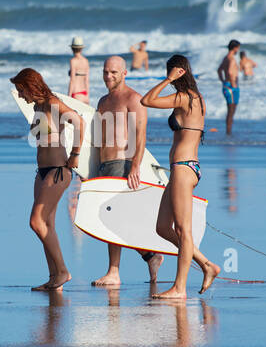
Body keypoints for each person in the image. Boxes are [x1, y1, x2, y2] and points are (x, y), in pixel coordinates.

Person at [141, 55, 220, 299]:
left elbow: (147, 100)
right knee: (163, 228)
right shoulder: (194, 98)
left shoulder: (185, 97)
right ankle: (207, 265)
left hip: (184, 168)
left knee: (184, 230)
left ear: (180, 72)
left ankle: (180, 288)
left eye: (174, 74)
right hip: (183, 168)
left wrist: (166, 80)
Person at [90, 57, 162, 287]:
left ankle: (114, 271)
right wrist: (90, 170)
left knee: (113, 218)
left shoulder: (134, 99)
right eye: (105, 72)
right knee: (114, 218)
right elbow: (97, 139)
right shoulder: (102, 101)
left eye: (113, 72)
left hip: (123, 163)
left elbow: (141, 137)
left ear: (124, 73)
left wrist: (136, 166)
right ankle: (150, 256)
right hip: (105, 165)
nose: (108, 76)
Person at [12, 67, 83, 291]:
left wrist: (75, 154)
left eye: (22, 91)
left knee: (36, 222)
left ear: (31, 87)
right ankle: (54, 277)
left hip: (58, 170)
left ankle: (62, 271)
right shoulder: (39, 107)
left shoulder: (53, 103)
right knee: (47, 225)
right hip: (42, 171)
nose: (21, 96)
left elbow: (79, 122)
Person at [217, 39, 241, 136]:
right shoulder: (231, 59)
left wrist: (223, 80)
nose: (238, 50)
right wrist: (233, 82)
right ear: (235, 48)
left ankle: (229, 131)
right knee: (231, 111)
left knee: (230, 111)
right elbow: (231, 72)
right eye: (238, 48)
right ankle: (228, 132)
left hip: (227, 85)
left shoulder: (225, 58)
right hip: (231, 87)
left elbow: (219, 70)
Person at [68, 36, 90, 102]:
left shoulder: (73, 61)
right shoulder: (86, 61)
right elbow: (87, 80)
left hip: (76, 93)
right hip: (85, 94)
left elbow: (72, 80)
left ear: (72, 48)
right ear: (81, 49)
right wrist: (87, 96)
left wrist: (68, 96)